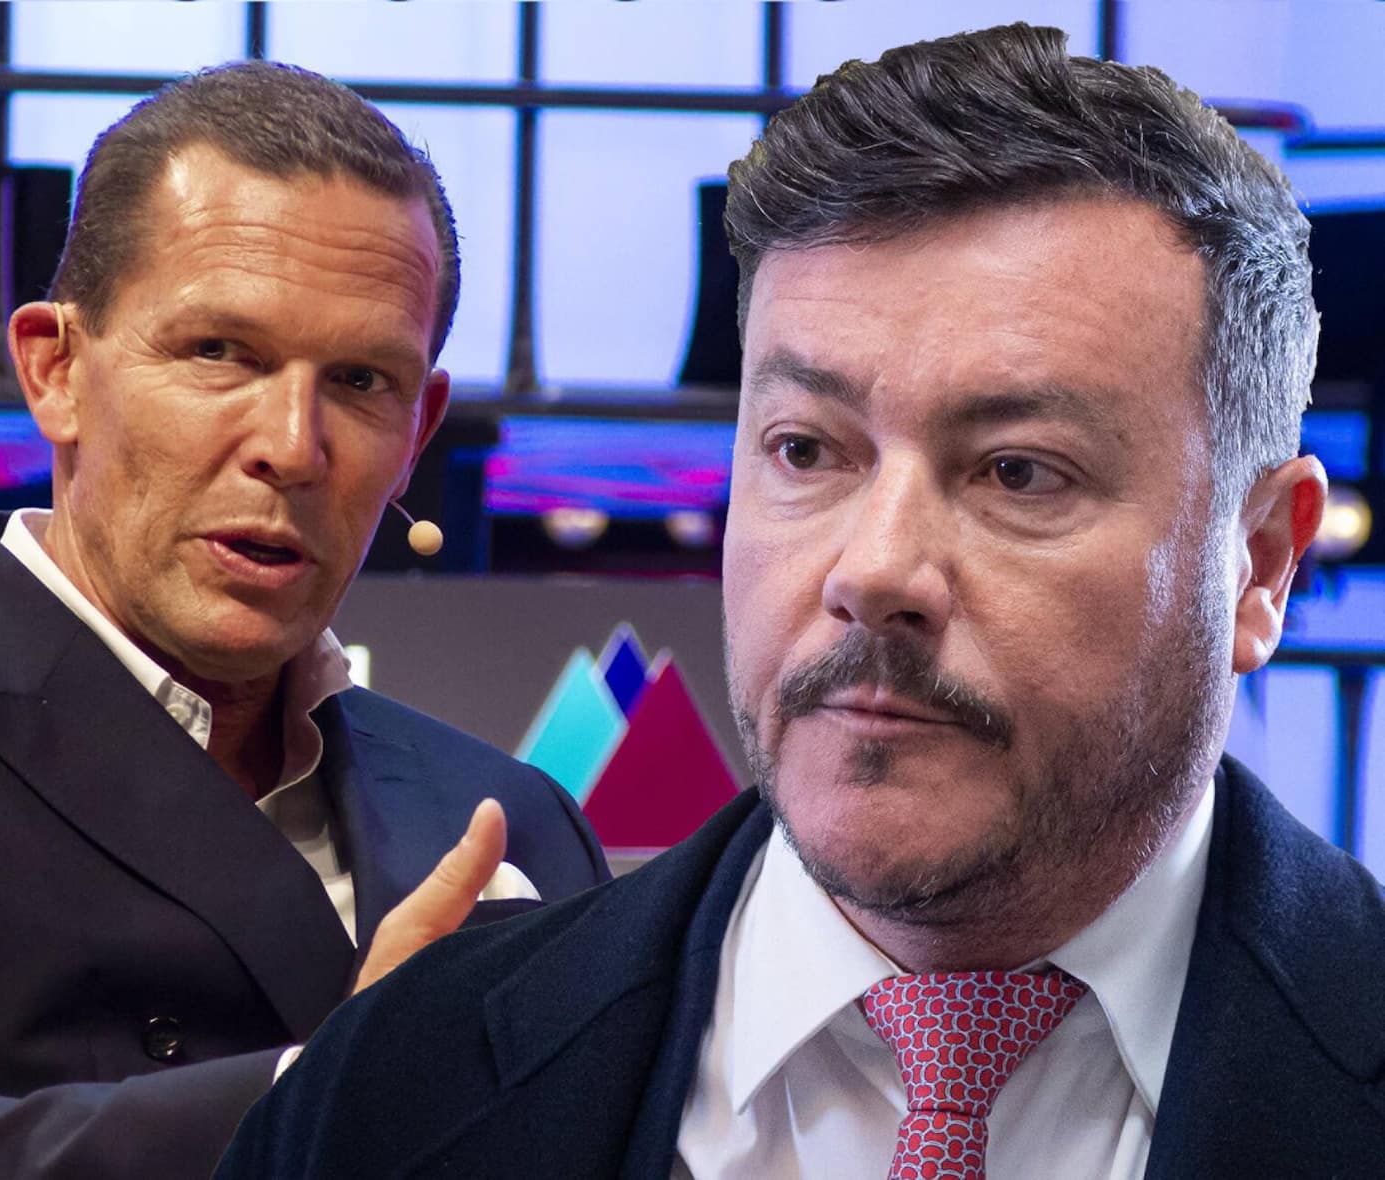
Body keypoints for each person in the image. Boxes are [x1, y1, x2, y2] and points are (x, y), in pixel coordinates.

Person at [216, 24, 1385, 1180]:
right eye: (807, 450)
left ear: (1261, 562)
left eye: (1018, 471)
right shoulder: (391, 1097)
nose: (872, 570)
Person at [0, 62, 608, 1180]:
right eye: (219, 353)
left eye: (360, 380)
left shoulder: (513, 818)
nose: (292, 445)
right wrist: (330, 1093)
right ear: (55, 369)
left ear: (419, 431)